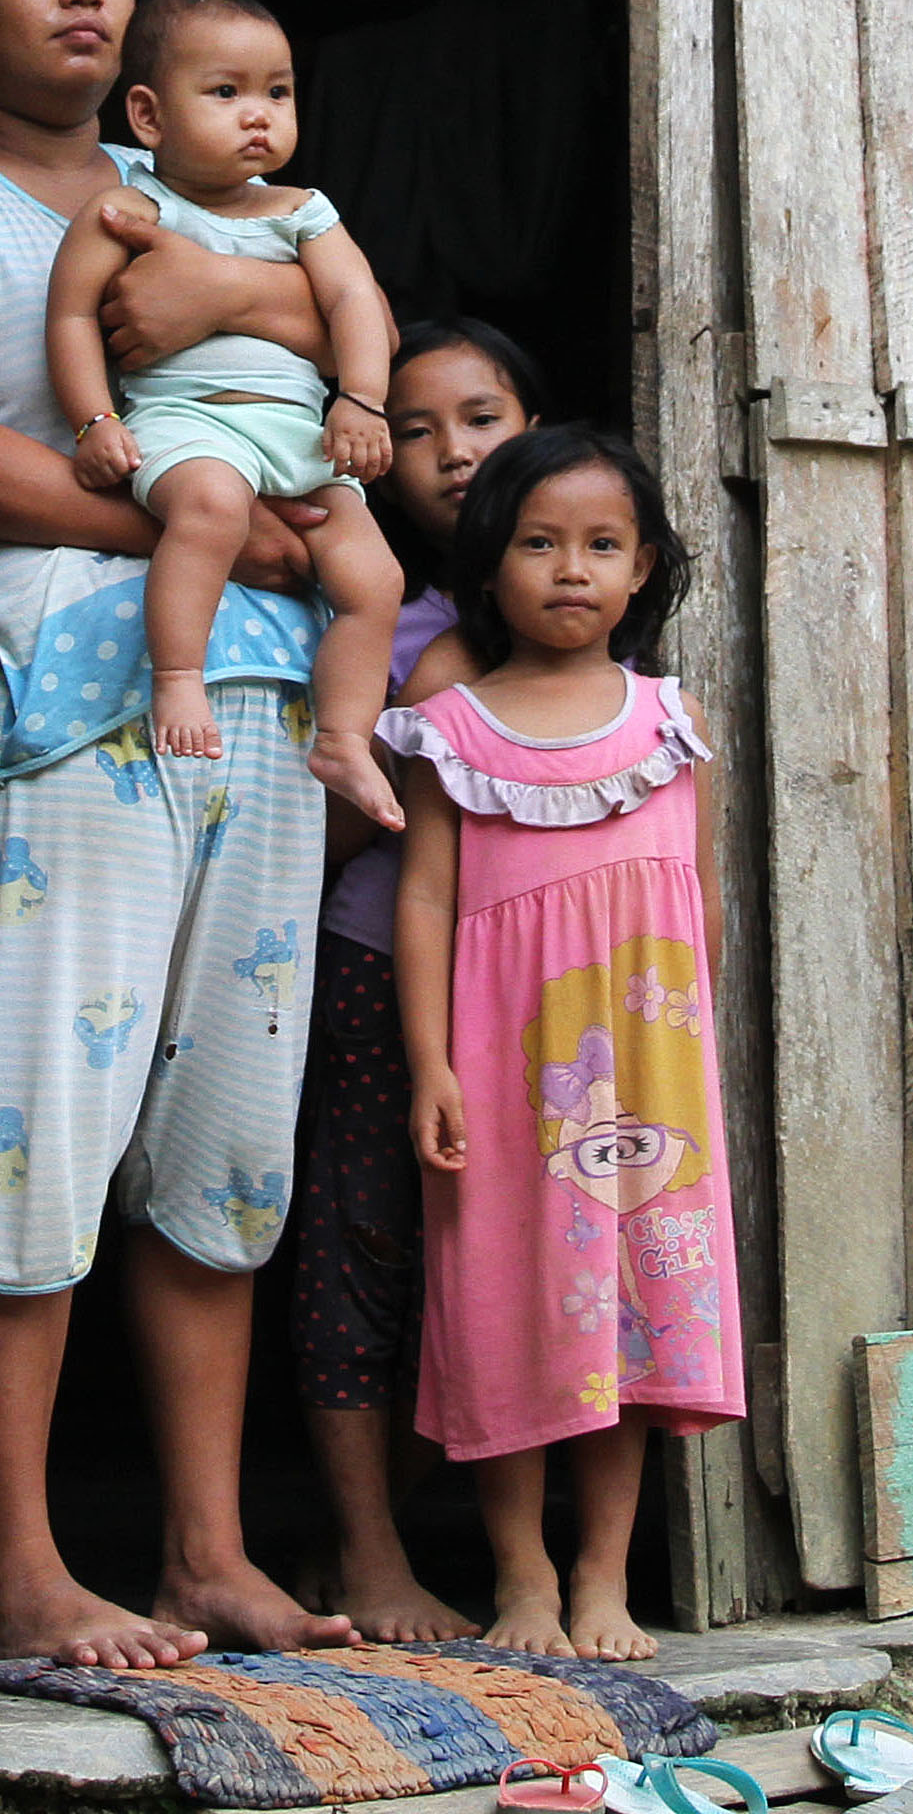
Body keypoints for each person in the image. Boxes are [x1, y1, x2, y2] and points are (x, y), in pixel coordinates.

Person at [0, 0, 358, 1670]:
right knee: (42, 1114)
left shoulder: (183, 166)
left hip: (258, 690)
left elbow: (333, 312)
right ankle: (25, 1564)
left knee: (225, 1128)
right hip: (70, 689)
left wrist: (239, 323)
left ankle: (204, 1547)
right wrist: (206, 528)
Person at [389, 427, 746, 1664]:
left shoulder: (668, 720)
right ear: (489, 567)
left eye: (602, 545)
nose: (571, 569)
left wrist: (690, 1070)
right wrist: (431, 1064)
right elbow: (425, 901)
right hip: (505, 1069)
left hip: (643, 1076)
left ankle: (604, 1577)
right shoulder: (450, 726)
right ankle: (523, 1576)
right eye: (539, 544)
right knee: (509, 1305)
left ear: (645, 566)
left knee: (627, 1313)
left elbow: (686, 902)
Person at [282, 315, 548, 1641]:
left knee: (491, 1253)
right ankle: (367, 1549)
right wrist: (414, 738)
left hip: (539, 993)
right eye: (421, 429)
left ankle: (424, 1547)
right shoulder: (380, 621)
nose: (453, 454)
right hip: (379, 963)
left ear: (537, 431)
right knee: (362, 1235)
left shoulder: (584, 614)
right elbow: (319, 823)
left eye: (484, 418)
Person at [44, 0, 412, 813]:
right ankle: (178, 678)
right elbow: (69, 316)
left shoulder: (305, 212)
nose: (259, 114)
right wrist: (94, 419)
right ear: (148, 116)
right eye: (226, 93)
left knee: (374, 576)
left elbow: (360, 306)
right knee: (209, 507)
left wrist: (360, 399)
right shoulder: (126, 210)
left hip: (296, 435)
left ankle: (346, 740)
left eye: (277, 93)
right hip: (186, 424)